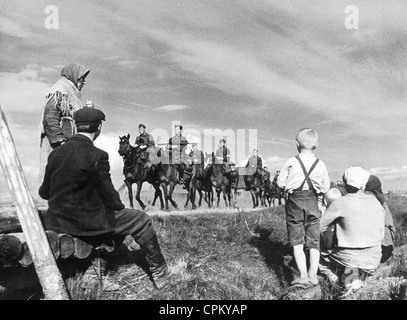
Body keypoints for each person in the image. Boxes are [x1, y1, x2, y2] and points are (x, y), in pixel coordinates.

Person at [39, 107, 171, 290]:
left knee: (109, 221)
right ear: (98, 128)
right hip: (85, 224)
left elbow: (44, 193)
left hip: (57, 222)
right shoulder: (98, 155)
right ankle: (161, 274)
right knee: (139, 219)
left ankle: (95, 270)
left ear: (77, 127)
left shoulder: (55, 154)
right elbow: (112, 200)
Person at [277, 128, 330, 288]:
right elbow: (326, 187)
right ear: (317, 145)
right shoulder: (320, 164)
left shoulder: (291, 162)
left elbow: (280, 183)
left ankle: (303, 276)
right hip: (313, 201)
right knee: (314, 242)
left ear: (296, 144)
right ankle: (313, 275)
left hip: (295, 202)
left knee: (297, 242)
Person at [319, 167, 385, 291]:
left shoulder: (341, 202)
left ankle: (335, 279)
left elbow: (319, 227)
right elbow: (381, 236)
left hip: (347, 258)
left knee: (317, 254)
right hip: (373, 259)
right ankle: (360, 277)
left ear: (345, 185)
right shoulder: (376, 202)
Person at [39, 63, 90, 187]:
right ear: (73, 76)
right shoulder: (59, 90)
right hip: (58, 145)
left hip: (69, 144)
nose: (84, 82)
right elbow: (50, 118)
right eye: (81, 78)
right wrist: (61, 143)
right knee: (58, 176)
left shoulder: (70, 92)